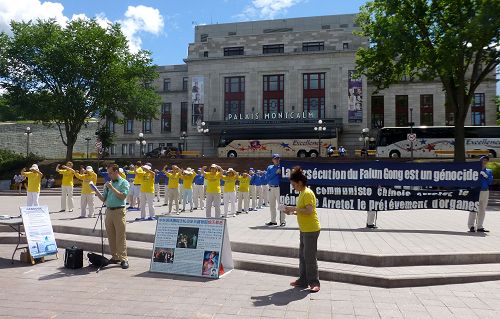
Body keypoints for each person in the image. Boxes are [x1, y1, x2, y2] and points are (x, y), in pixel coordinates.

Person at [284, 166, 321, 293]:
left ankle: (314, 282)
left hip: (311, 229)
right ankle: (303, 279)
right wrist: (292, 212)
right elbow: (303, 211)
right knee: (302, 256)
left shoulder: (307, 193)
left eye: (294, 185)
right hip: (304, 229)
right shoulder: (301, 193)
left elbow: (309, 210)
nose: (293, 187)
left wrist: (294, 209)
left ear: (300, 183)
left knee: (310, 257)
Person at [95, 164, 130, 269]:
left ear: (116, 172)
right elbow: (104, 199)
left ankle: (124, 258)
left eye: (110, 173)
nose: (109, 175)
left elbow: (122, 196)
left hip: (119, 211)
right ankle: (115, 257)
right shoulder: (108, 184)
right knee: (111, 235)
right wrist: (96, 191)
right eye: (108, 173)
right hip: (109, 211)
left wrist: (112, 187)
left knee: (120, 235)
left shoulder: (124, 182)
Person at [468, 156, 494, 232]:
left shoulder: (489, 171)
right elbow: (470, 181)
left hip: (485, 191)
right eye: (483, 160)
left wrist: (485, 176)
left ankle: (479, 226)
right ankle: (471, 226)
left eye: (486, 160)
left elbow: (490, 182)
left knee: (482, 209)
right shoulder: (474, 170)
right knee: (473, 208)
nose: (484, 161)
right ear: (480, 161)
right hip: (476, 191)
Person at [266, 154, 285, 226]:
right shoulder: (270, 167)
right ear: (272, 160)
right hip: (271, 187)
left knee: (281, 205)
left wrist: (280, 172)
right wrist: (275, 172)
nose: (277, 160)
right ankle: (273, 220)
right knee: (272, 205)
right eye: (275, 159)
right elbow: (267, 178)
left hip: (279, 187)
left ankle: (282, 221)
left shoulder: (282, 167)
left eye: (278, 158)